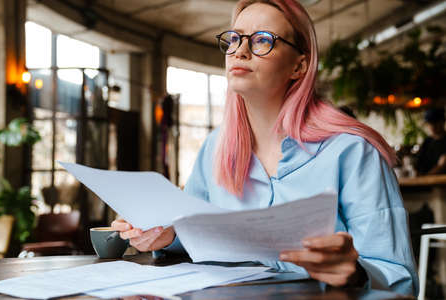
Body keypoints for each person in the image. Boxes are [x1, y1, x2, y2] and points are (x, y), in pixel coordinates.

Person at [112, 0, 418, 295]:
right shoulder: (214, 149)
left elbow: (400, 279)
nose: (240, 51)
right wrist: (165, 235)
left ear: (299, 65)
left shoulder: (353, 152)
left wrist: (356, 273)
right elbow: (195, 236)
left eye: (262, 40)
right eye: (234, 38)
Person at [415, 108, 446, 175]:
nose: (432, 126)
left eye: (435, 122)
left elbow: (443, 165)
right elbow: (418, 167)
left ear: (443, 121)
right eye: (429, 123)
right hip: (425, 182)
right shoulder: (427, 142)